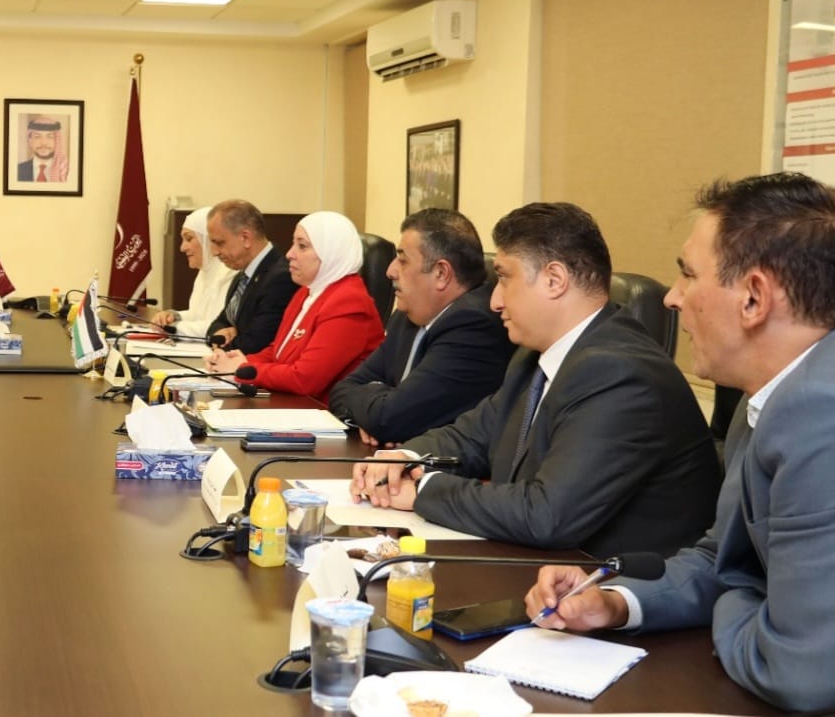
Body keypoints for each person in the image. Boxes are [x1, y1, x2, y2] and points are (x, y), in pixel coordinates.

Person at [525, 173, 835, 713]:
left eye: (688, 274)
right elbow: (723, 556)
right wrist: (615, 603)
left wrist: (739, 591)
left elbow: (799, 673)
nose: (671, 298)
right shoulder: (767, 398)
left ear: (754, 297)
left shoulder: (819, 415)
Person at [351, 202, 720, 558]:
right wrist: (404, 458)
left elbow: (546, 513)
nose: (494, 301)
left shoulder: (621, 373)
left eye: (504, 279)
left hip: (613, 586)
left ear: (554, 280)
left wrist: (424, 489)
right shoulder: (534, 356)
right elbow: (473, 436)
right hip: (544, 571)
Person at [328, 209, 515, 447]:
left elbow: (390, 419)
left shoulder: (474, 326)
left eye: (403, 260)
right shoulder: (406, 315)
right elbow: (342, 389)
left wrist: (378, 411)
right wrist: (375, 413)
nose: (390, 271)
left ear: (441, 273)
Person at [207, 212, 383, 402]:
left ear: (330, 252)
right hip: (296, 404)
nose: (290, 254)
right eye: (293, 244)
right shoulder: (307, 291)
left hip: (326, 412)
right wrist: (240, 361)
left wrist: (242, 369)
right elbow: (278, 350)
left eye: (302, 246)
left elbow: (305, 379)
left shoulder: (349, 302)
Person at [204, 199, 298, 354]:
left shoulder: (281, 278)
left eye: (219, 243)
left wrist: (224, 342)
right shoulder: (242, 276)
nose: (214, 252)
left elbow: (256, 343)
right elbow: (219, 323)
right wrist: (221, 334)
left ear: (246, 238)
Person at [151, 207, 235, 339]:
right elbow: (197, 315)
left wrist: (172, 328)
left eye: (189, 239)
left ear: (207, 239)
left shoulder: (230, 273)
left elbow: (217, 327)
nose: (182, 248)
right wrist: (173, 316)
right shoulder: (204, 272)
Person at [16, 115, 67, 182]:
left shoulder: (66, 172)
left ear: (57, 141)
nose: (44, 143)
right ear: (30, 141)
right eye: (37, 137)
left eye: (50, 137)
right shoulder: (17, 171)